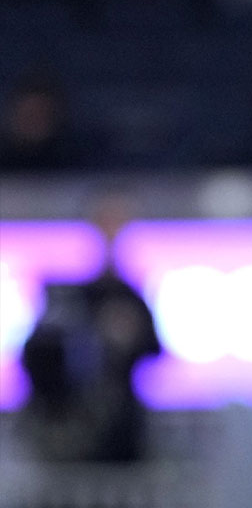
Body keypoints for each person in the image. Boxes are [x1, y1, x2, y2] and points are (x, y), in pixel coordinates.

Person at [17, 190, 161, 462]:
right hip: (70, 431)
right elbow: (36, 358)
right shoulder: (68, 295)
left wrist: (129, 336)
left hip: (121, 431)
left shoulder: (131, 297)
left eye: (118, 223)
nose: (111, 231)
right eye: (105, 221)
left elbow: (155, 350)